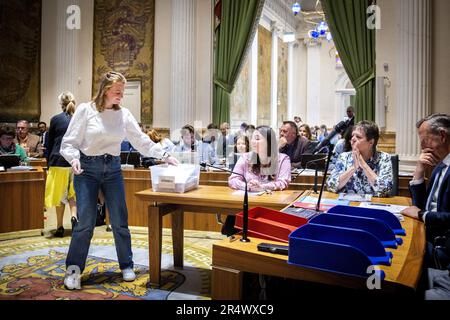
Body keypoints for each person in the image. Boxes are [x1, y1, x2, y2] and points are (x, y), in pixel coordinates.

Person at [60, 71, 178, 290]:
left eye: (122, 92)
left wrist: (164, 154)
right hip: (86, 169)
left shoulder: (123, 114)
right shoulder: (86, 110)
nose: (121, 96)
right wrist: (74, 159)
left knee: (119, 220)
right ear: (105, 90)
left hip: (113, 168)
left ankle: (127, 264)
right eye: (117, 92)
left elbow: (141, 141)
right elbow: (68, 142)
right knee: (85, 222)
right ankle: (73, 270)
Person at [401, 114, 450, 299]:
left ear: (442, 136)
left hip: (442, 252)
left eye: (425, 140)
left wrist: (423, 215)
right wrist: (419, 169)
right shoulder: (440, 165)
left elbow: (422, 211)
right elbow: (420, 205)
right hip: (430, 241)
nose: (422, 147)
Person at [225, 126, 291, 236]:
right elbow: (233, 179)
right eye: (252, 138)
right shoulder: (245, 157)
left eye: (257, 138)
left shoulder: (283, 159)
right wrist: (246, 185)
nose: (253, 141)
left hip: (270, 207)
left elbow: (283, 182)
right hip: (245, 205)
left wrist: (262, 187)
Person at [326, 120, 393, 197]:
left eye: (358, 137)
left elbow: (384, 190)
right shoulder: (344, 157)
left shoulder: (384, 158)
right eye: (352, 136)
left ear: (371, 142)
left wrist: (363, 164)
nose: (353, 139)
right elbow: (331, 186)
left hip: (372, 205)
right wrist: (353, 168)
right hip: (348, 205)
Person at [45, 91, 78, 238]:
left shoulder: (55, 120)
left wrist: (48, 163)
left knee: (60, 195)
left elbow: (49, 143)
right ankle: (74, 217)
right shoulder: (79, 119)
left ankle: (59, 226)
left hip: (58, 161)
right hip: (75, 161)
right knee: (73, 193)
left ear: (61, 104)